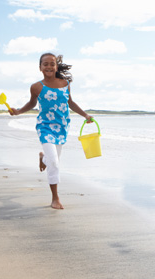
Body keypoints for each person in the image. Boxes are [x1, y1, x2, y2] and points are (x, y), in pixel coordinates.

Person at [9, 53, 94, 210]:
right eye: (45, 64)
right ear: (40, 67)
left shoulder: (65, 83)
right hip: (45, 126)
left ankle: (43, 158)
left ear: (56, 66)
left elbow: (71, 103)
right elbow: (32, 103)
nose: (49, 66)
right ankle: (55, 198)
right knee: (54, 162)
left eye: (52, 64)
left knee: (54, 161)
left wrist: (85, 115)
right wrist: (19, 111)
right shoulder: (36, 87)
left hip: (62, 127)